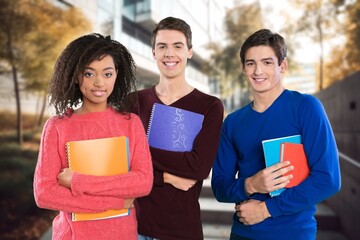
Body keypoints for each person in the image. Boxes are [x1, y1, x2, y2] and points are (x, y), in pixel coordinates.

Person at [211, 29, 341, 240]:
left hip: (293, 234)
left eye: (267, 62)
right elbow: (219, 186)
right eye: (250, 63)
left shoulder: (306, 108)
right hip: (243, 233)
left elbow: (328, 179)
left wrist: (266, 209)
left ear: (283, 66)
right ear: (243, 69)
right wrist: (251, 184)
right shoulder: (233, 123)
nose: (258, 70)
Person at [33, 33, 153, 240]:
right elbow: (45, 194)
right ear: (76, 75)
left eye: (107, 74)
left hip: (121, 234)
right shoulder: (57, 127)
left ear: (117, 75)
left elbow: (142, 182)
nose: (99, 83)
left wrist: (77, 181)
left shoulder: (130, 123)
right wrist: (115, 201)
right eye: (89, 74)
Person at [131, 17, 224, 240]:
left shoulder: (209, 106)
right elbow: (123, 164)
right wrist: (167, 177)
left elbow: (199, 168)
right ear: (153, 53)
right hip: (134, 227)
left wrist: (141, 154)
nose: (169, 53)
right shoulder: (133, 102)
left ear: (189, 52)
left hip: (181, 230)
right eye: (162, 46)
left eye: (177, 46)